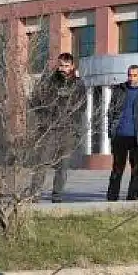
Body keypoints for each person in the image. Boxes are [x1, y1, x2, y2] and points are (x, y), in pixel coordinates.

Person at [29, 52, 87, 203]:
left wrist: (73, 125)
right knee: (41, 163)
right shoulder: (48, 81)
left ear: (72, 66)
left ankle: (57, 196)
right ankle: (34, 194)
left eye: (67, 66)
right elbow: (35, 101)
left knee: (63, 165)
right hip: (49, 129)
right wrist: (45, 119)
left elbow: (82, 106)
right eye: (61, 65)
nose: (63, 69)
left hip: (68, 130)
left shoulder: (78, 84)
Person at [105, 65, 138, 201]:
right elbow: (111, 111)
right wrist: (112, 131)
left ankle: (133, 197)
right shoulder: (119, 90)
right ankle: (112, 197)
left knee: (137, 170)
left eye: (134, 75)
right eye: (129, 75)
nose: (131, 78)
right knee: (117, 168)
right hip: (120, 135)